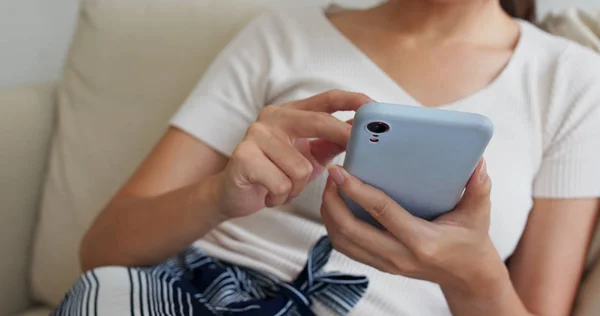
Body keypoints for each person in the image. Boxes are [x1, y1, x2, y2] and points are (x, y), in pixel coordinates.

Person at [55, 0, 600, 315]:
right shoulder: (285, 34)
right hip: (195, 291)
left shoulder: (572, 81)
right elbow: (102, 253)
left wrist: (472, 276)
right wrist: (217, 195)